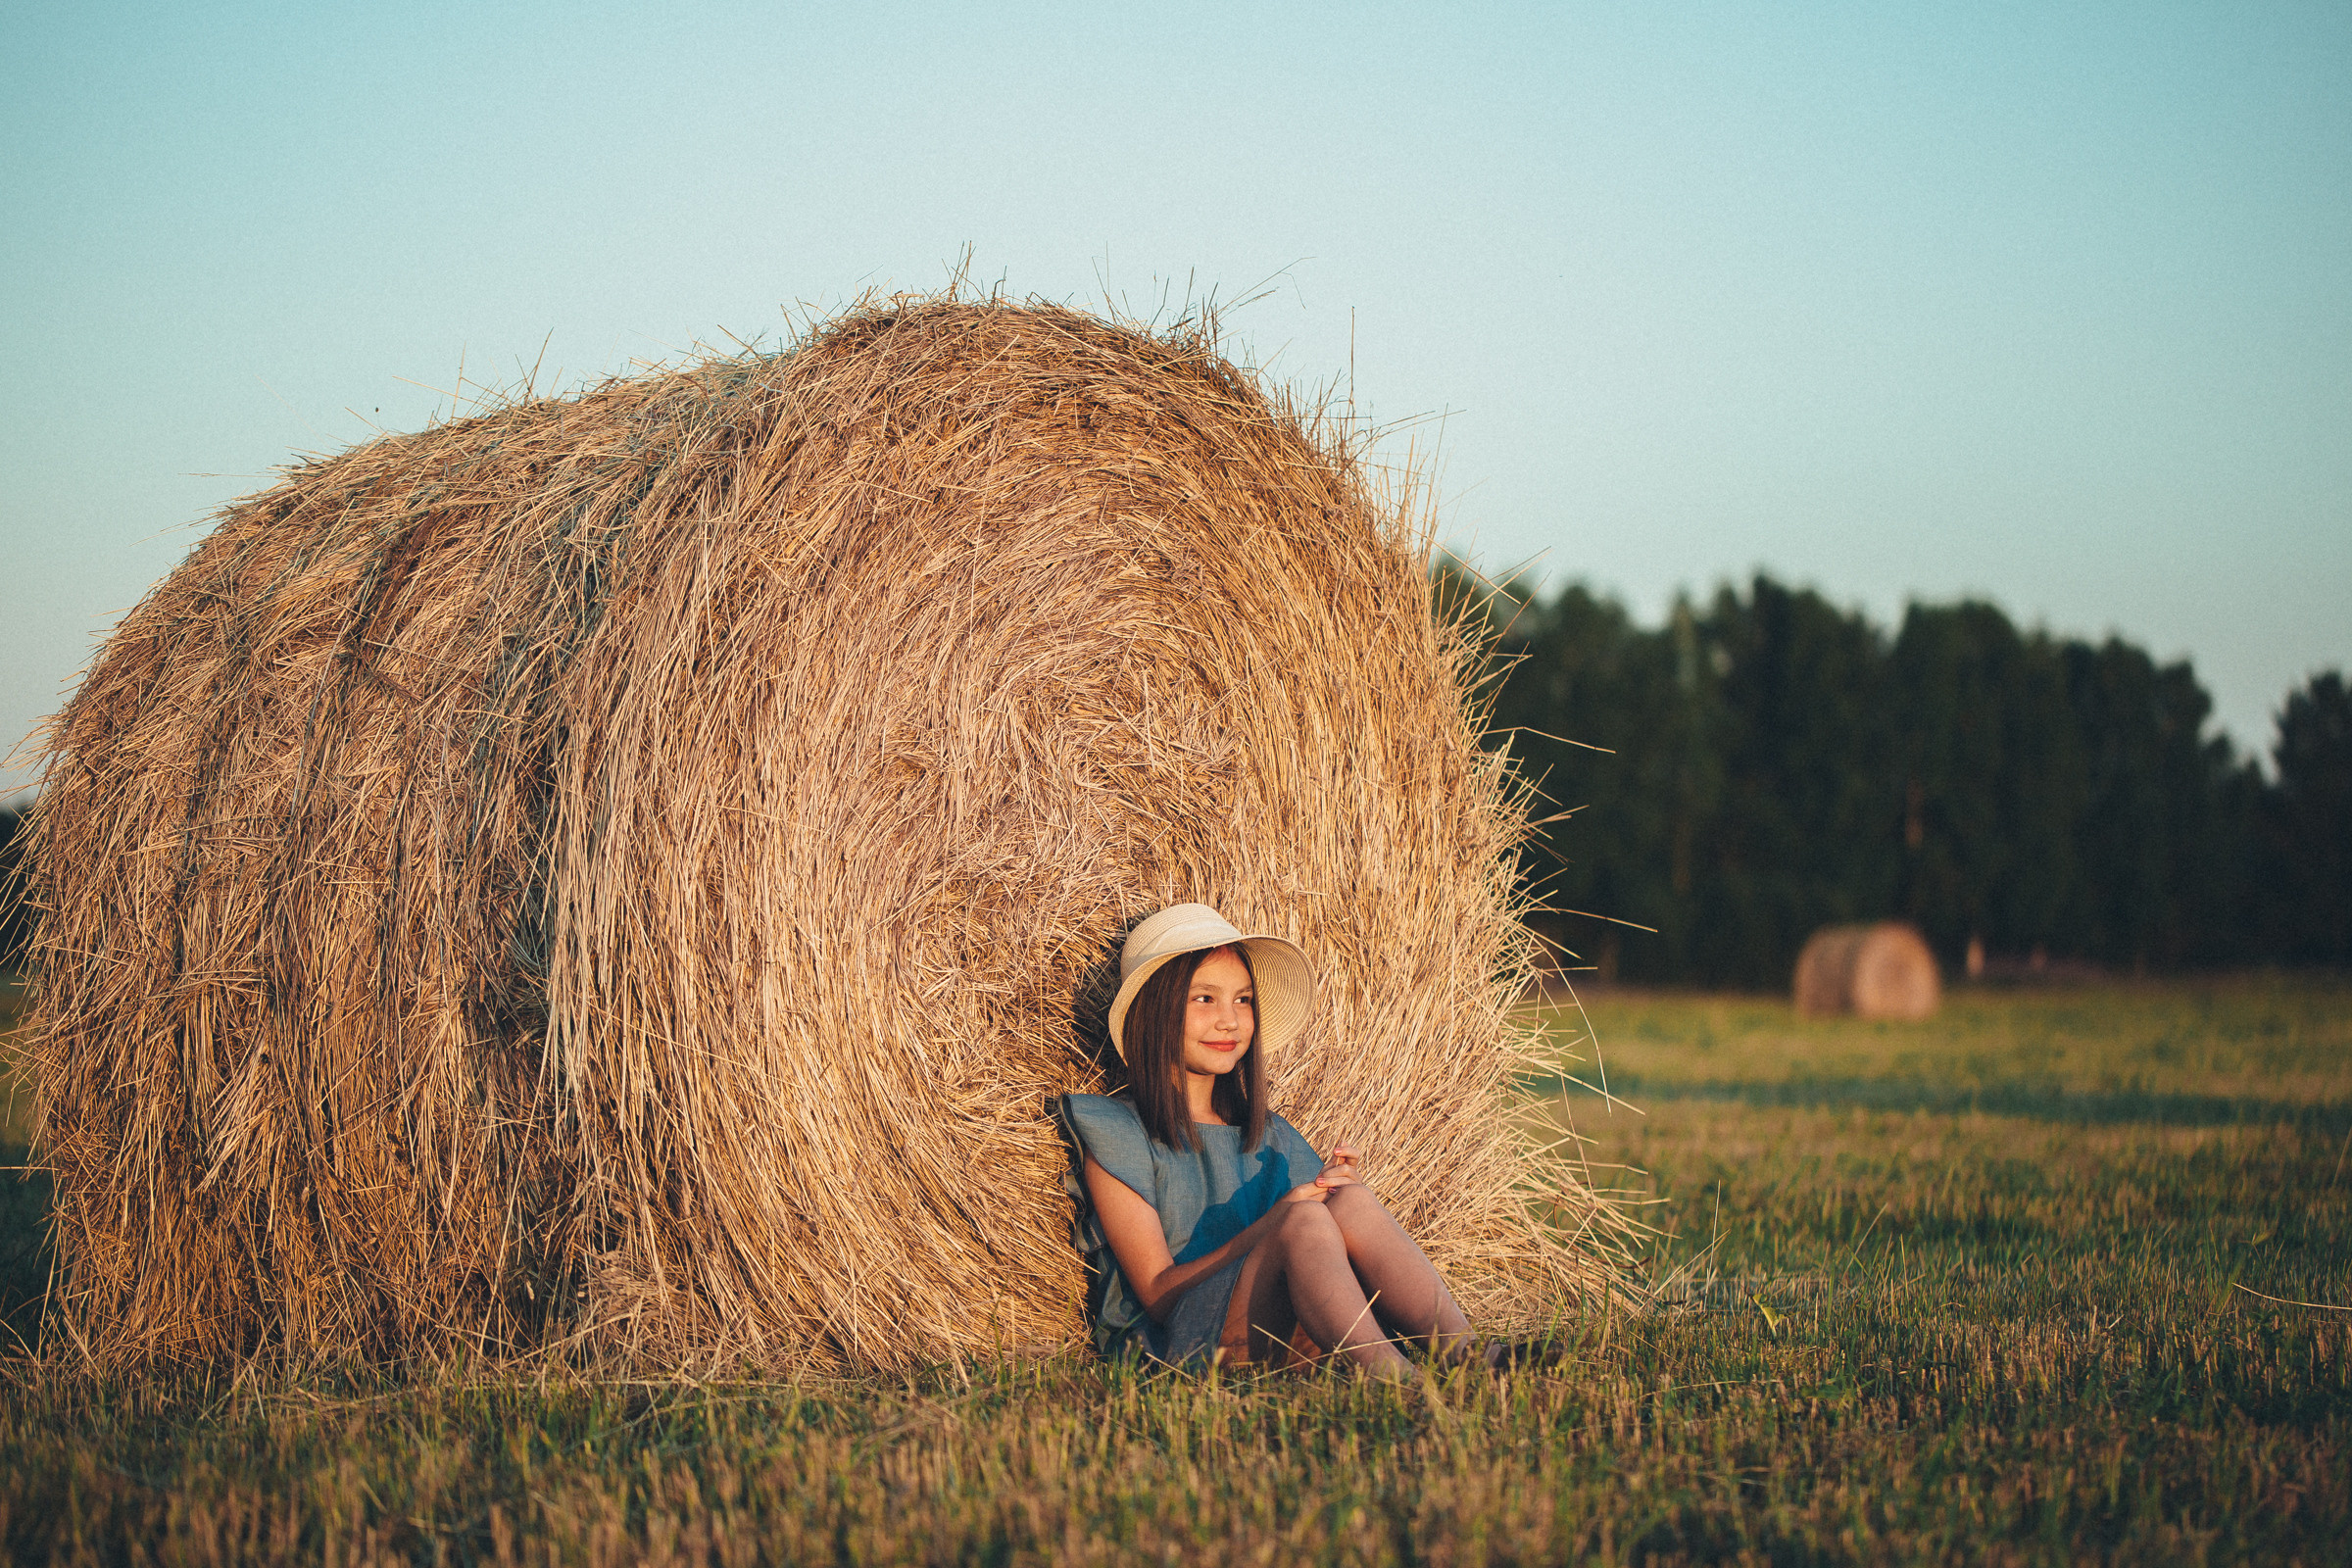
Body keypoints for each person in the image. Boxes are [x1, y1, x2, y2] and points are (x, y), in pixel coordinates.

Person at [1057, 903, 1483, 1378]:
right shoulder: (1118, 1133)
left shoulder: (1268, 1134)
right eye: (1204, 999)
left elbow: (1318, 1239)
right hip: (1180, 1341)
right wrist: (1276, 1221)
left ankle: (1470, 1356)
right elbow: (1158, 1295)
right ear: (1153, 1011)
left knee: (1351, 1201)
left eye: (1243, 1000)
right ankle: (1393, 1378)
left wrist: (1332, 1189)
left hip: (1279, 1326)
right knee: (1301, 1220)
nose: (1229, 1020)